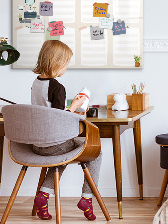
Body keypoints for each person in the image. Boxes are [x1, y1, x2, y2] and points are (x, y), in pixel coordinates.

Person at [31, 40, 101, 221]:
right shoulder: (57, 87)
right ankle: (87, 198)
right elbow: (59, 119)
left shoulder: (36, 83)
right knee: (96, 152)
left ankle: (43, 196)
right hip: (54, 144)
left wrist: (71, 107)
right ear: (57, 63)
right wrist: (76, 106)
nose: (66, 68)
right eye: (66, 64)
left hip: (37, 144)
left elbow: (48, 112)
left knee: (61, 155)